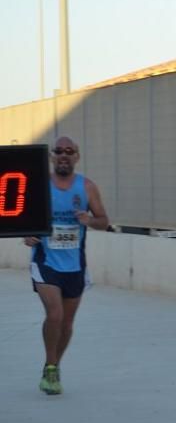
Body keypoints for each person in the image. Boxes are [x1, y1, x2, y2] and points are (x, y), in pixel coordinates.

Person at [23, 136, 110, 395]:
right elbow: (26, 220)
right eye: (58, 151)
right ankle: (50, 366)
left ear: (76, 157)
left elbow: (104, 221)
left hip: (75, 265)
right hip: (46, 261)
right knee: (55, 315)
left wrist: (88, 220)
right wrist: (29, 235)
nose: (63, 155)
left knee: (67, 323)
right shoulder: (41, 186)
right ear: (52, 157)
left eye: (69, 151)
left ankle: (54, 366)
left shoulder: (87, 187)